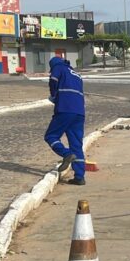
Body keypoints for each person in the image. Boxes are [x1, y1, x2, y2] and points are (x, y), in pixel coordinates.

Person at [44, 56, 86, 185]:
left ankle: (66, 154)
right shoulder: (77, 75)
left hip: (65, 108)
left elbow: (53, 81)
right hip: (79, 112)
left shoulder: (58, 67)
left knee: (51, 136)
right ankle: (79, 177)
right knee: (76, 145)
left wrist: (54, 95)